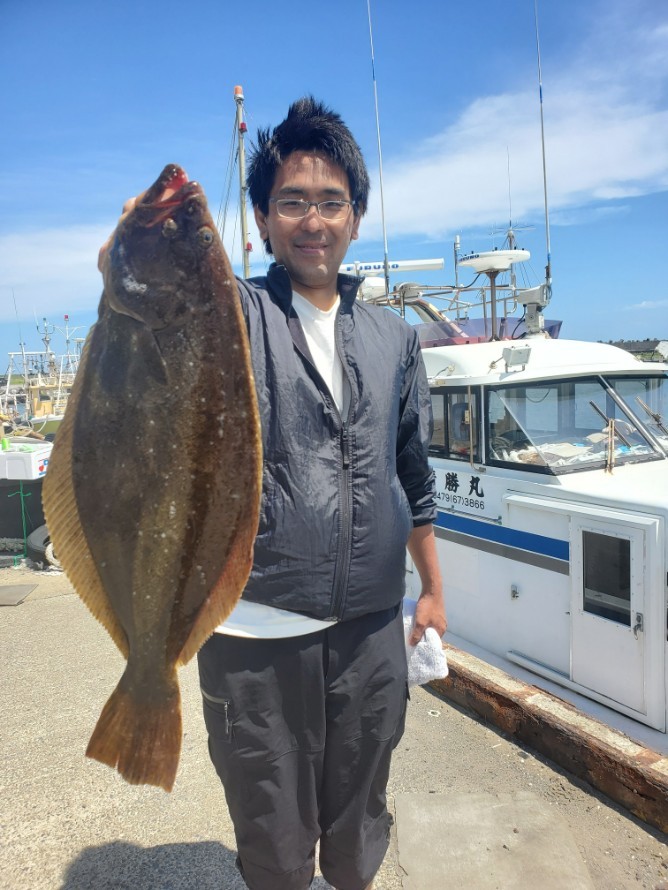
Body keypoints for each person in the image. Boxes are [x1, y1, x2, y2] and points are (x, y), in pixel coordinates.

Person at [103, 96, 446, 890]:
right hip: (254, 636)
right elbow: (156, 305)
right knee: (275, 849)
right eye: (292, 202)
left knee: (359, 837)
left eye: (331, 202)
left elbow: (412, 471)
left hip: (370, 635)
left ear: (356, 217)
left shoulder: (394, 337)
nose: (313, 221)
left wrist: (431, 589)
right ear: (261, 219)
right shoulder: (236, 310)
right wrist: (137, 238)